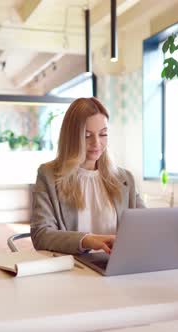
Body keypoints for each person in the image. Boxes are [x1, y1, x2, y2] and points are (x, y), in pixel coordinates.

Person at [31, 97, 146, 255]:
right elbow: (41, 235)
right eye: (87, 135)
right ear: (71, 137)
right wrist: (87, 240)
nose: (97, 143)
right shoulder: (48, 175)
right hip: (73, 271)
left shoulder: (125, 178)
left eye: (103, 134)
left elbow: (146, 225)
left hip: (117, 267)